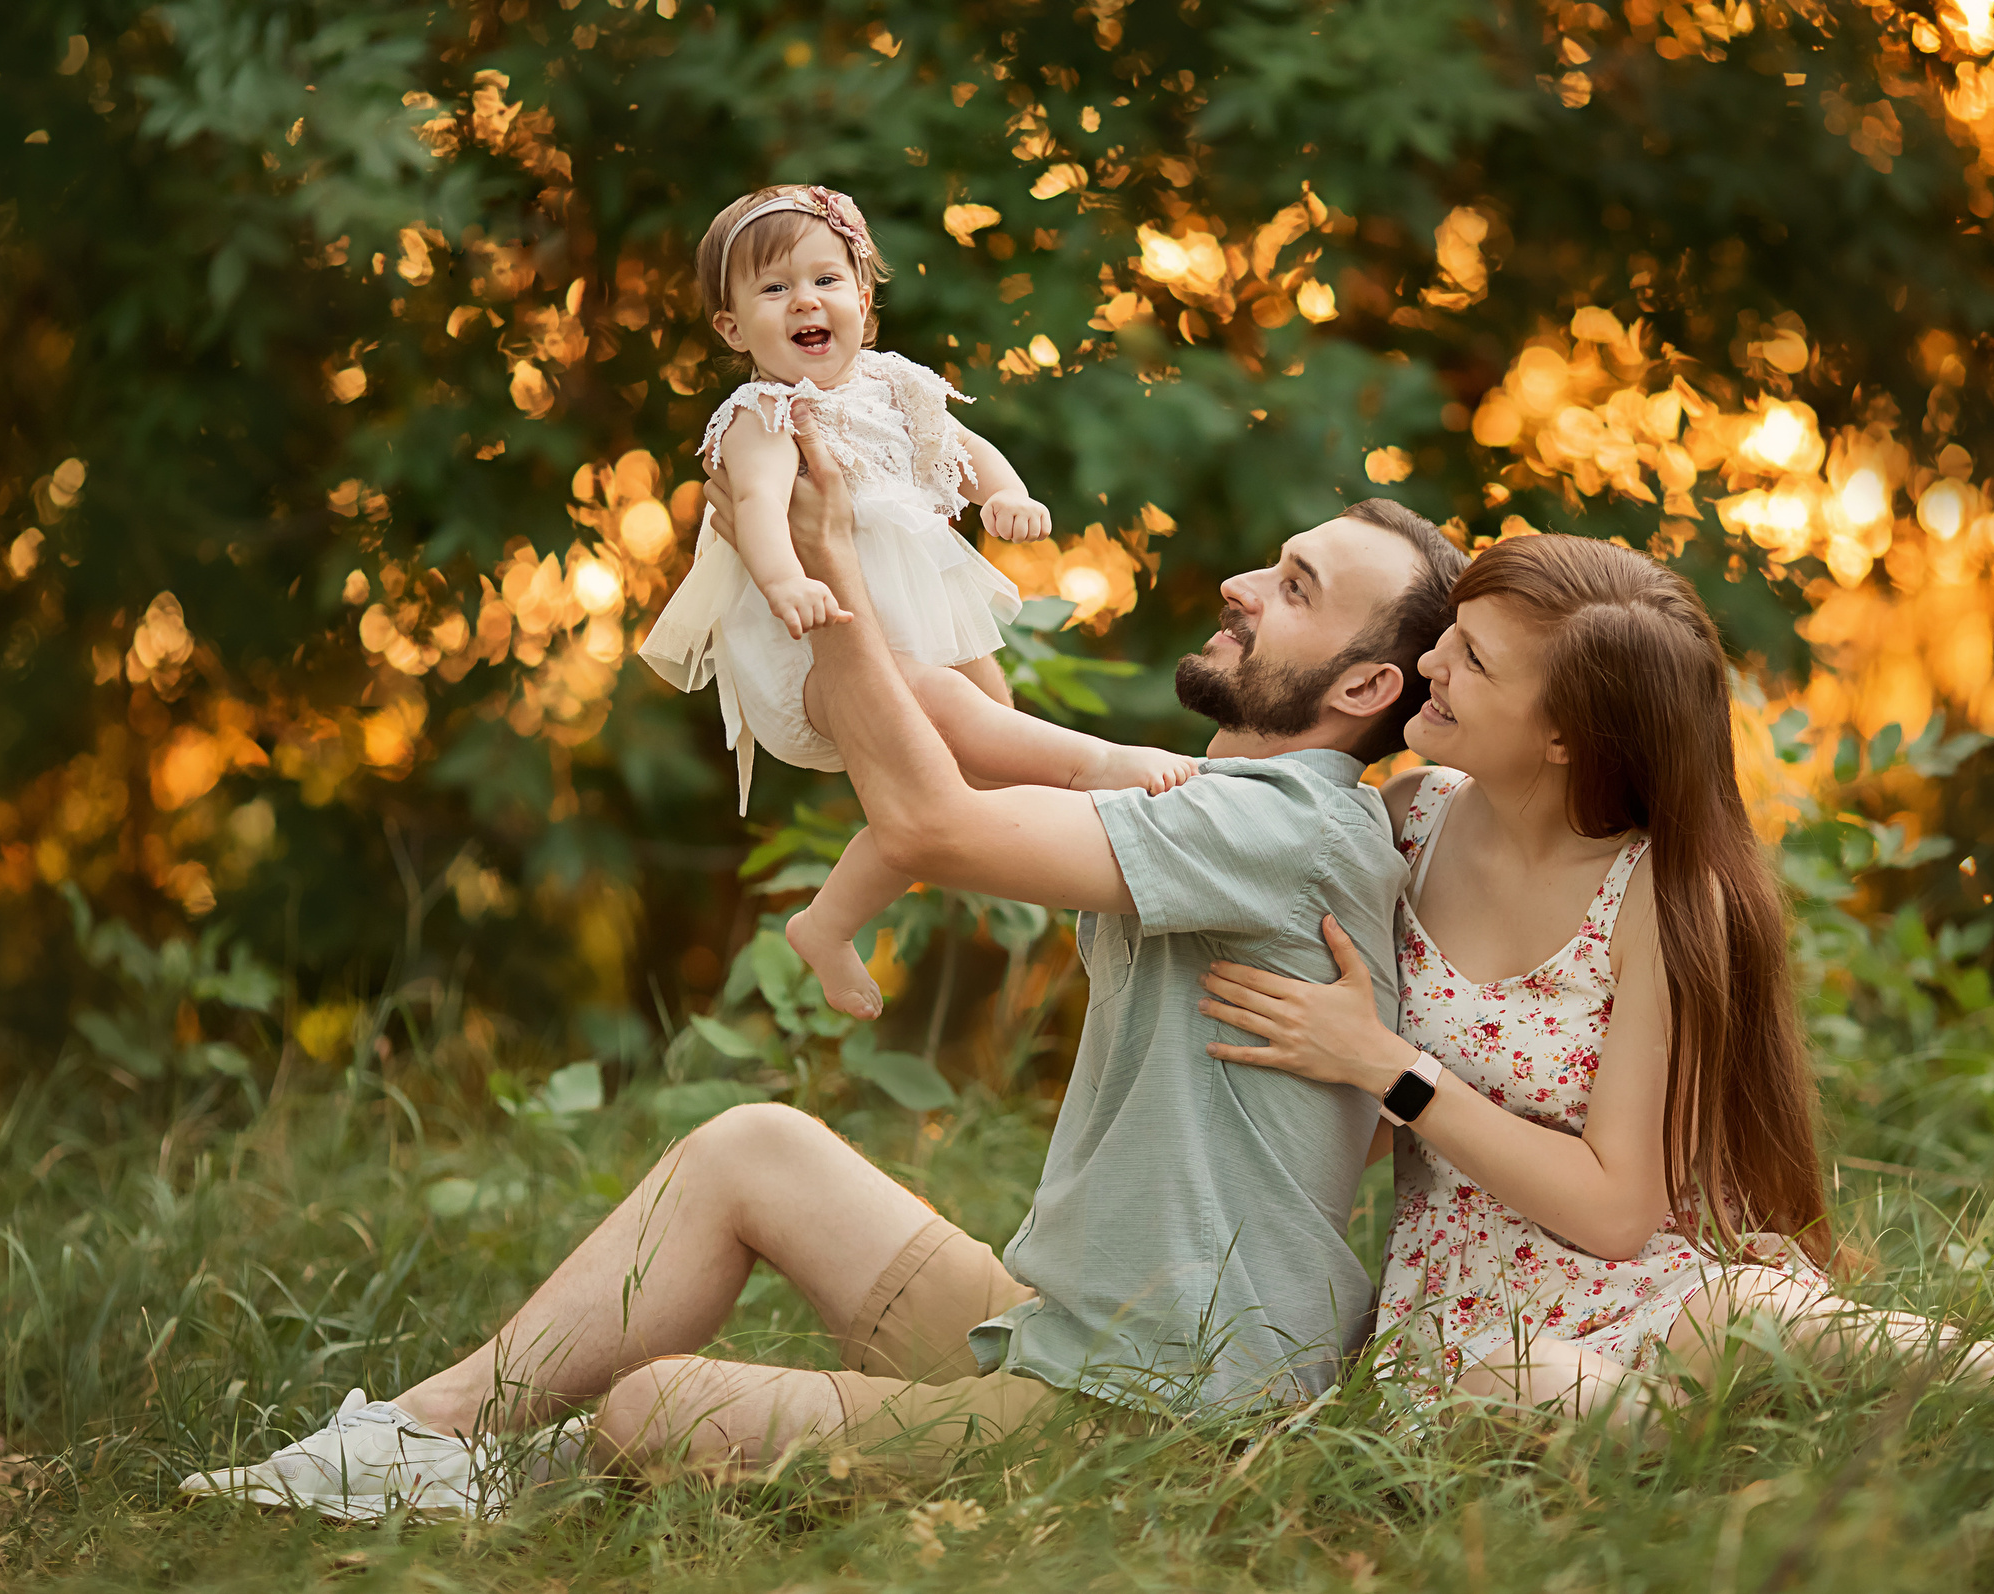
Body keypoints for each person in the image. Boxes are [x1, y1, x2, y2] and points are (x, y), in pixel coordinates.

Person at [177, 432, 1468, 1517]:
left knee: (657, 1407)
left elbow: (929, 823)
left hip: (1156, 1417)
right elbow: (969, 729)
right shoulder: (1229, 801)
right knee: (755, 1149)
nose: (1242, 584)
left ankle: (492, 1470)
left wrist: (832, 563)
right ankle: (412, 1436)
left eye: (1292, 587)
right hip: (1075, 1337)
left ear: (1364, 682)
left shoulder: (1285, 825)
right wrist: (855, 537)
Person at [1195, 533, 1994, 1436]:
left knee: (1779, 1317)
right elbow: (1239, 811)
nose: (1431, 662)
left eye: (1473, 658)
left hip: (1657, 1284)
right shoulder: (1410, 822)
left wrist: (1385, 1067)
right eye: (1452, 634)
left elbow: (1614, 1213)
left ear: (1566, 735)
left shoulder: (1665, 897)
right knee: (1542, 1388)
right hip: (1472, 1310)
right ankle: (1703, 1452)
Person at [638, 182, 1195, 1022]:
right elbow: (754, 507)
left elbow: (966, 448)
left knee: (960, 778)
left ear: (863, 299)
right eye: (774, 288)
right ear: (732, 328)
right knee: (952, 713)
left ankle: (827, 925)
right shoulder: (765, 413)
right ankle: (1100, 766)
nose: (805, 302)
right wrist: (788, 580)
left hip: (915, 625)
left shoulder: (894, 385)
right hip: (811, 651)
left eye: (826, 280)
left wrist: (1004, 494)